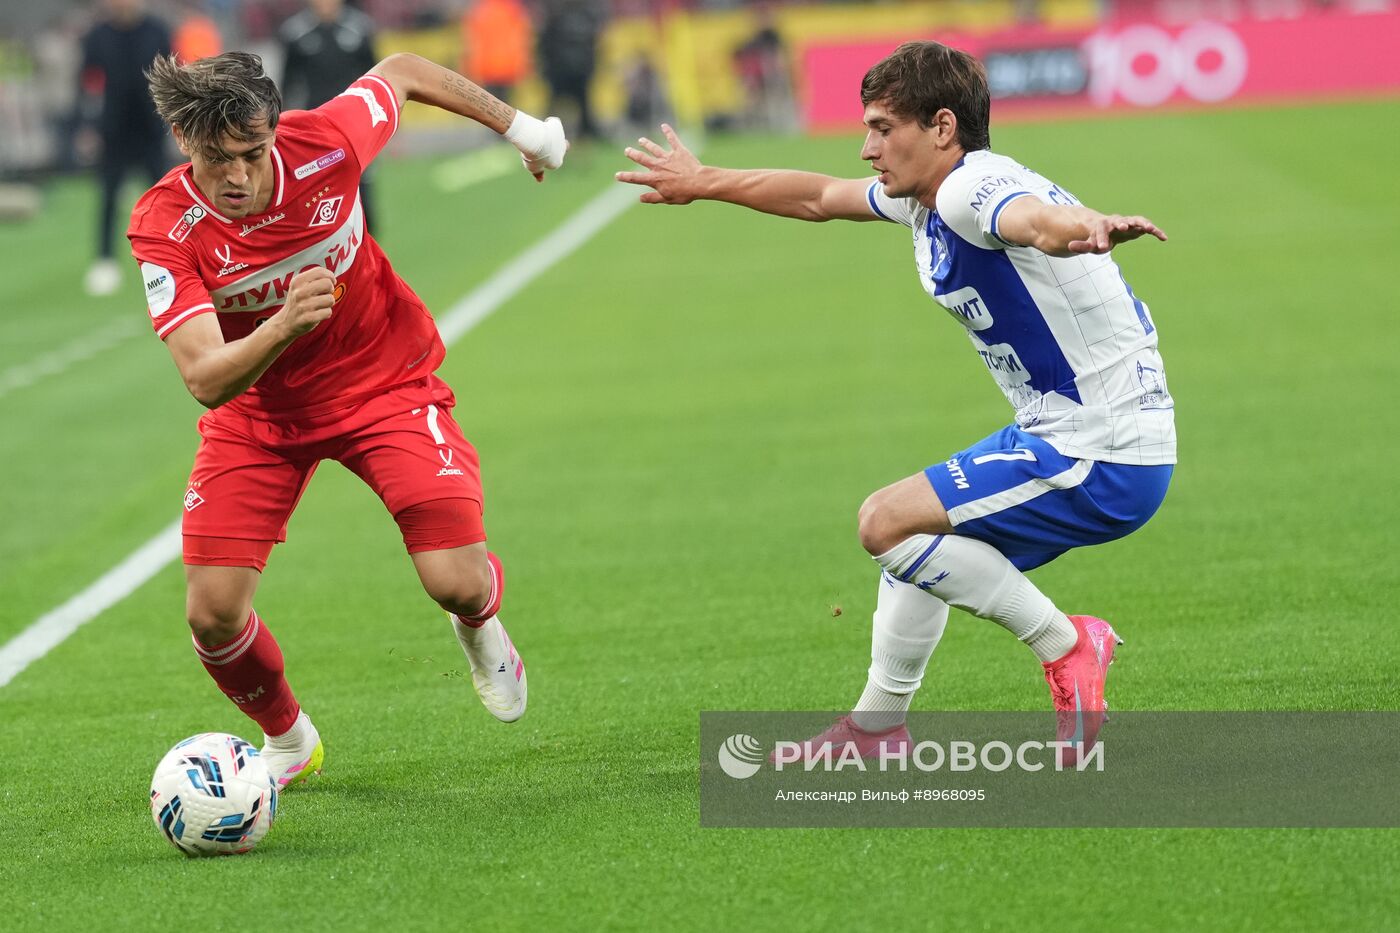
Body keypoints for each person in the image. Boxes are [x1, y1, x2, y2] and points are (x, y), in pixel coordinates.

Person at [617, 40, 1173, 762]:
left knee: (886, 523)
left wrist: (1086, 228)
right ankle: (878, 728)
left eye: (882, 128)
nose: (865, 148)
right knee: (921, 539)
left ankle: (1070, 643)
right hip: (1064, 430)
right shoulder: (928, 196)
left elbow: (1032, 220)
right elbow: (819, 198)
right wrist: (704, 179)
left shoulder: (968, 189)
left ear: (942, 127)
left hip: (1102, 449)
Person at [127, 50, 567, 787]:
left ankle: (480, 626)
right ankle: (289, 738)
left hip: (384, 383)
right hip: (259, 416)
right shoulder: (165, 227)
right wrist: (280, 327)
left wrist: (520, 127)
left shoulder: (325, 141)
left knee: (456, 582)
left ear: (273, 132)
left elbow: (402, 71)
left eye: (251, 153)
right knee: (212, 613)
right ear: (181, 139)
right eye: (216, 158)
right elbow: (205, 378)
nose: (236, 175)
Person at [81, 0, 171, 296]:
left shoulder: (157, 31)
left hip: (150, 129)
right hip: (113, 131)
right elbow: (87, 83)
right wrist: (88, 126)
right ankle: (105, 260)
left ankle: (172, 256)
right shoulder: (97, 35)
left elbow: (170, 77)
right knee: (108, 196)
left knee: (163, 198)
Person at [279, 0, 380, 229]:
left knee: (362, 184)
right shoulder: (295, 33)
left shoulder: (359, 28)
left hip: (353, 122)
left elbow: (377, 77)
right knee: (319, 186)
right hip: (314, 127)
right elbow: (288, 83)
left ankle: (366, 242)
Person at [461, 0, 533, 105]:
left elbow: (472, 43)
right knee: (506, 109)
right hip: (508, 66)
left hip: (486, 67)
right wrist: (522, 66)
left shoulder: (479, 10)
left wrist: (472, 67)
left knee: (488, 107)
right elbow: (521, 41)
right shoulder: (514, 9)